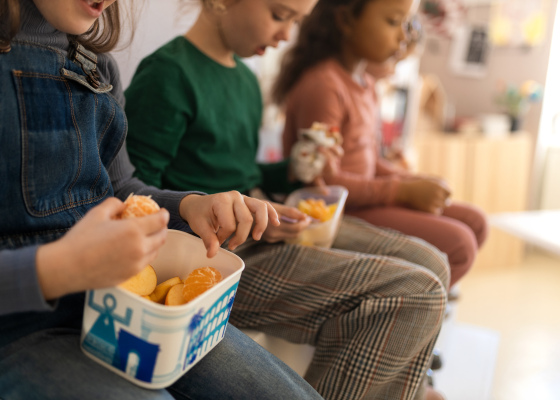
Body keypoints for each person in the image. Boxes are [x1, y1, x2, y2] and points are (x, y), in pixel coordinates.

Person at [0, 1, 327, 399]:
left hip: (114, 310)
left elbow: (120, 189)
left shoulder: (96, 68)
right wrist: (57, 269)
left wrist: (190, 205)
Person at [124, 0, 449, 398]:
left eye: (297, 21)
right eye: (279, 15)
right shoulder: (168, 75)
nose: (286, 34)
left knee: (433, 262)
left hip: (263, 227)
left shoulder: (244, 78)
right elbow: (137, 195)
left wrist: (294, 172)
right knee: (414, 294)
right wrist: (227, 212)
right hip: (219, 255)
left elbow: (244, 174)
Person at [275, 0, 488, 289]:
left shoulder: (365, 85)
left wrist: (411, 181)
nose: (403, 36)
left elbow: (371, 162)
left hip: (365, 196)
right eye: (392, 22)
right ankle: (417, 302)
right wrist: (402, 190)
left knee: (476, 222)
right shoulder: (324, 86)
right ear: (347, 21)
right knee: (460, 244)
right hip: (339, 208)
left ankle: (427, 297)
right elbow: (322, 181)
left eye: (404, 24)